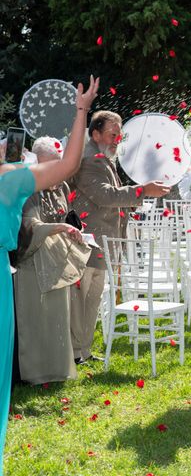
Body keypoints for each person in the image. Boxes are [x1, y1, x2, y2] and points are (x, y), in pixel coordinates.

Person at [0, 75, 99, 476]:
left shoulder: (10, 179)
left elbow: (67, 165)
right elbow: (69, 164)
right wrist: (80, 111)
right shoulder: (10, 180)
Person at [68, 110, 170, 364]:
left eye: (119, 136)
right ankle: (74, 353)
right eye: (113, 135)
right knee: (82, 302)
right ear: (95, 133)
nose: (117, 140)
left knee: (92, 300)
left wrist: (132, 203)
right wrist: (142, 190)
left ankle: (84, 351)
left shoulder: (103, 157)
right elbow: (105, 196)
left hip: (102, 243)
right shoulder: (89, 159)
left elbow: (111, 198)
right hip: (89, 242)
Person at [13, 137, 92, 385]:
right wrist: (57, 227)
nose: (55, 171)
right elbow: (28, 226)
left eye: (58, 164)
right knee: (35, 317)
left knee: (58, 316)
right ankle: (35, 373)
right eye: (50, 165)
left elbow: (63, 215)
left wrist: (71, 226)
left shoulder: (61, 188)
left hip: (56, 260)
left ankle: (58, 369)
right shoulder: (29, 190)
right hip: (31, 262)